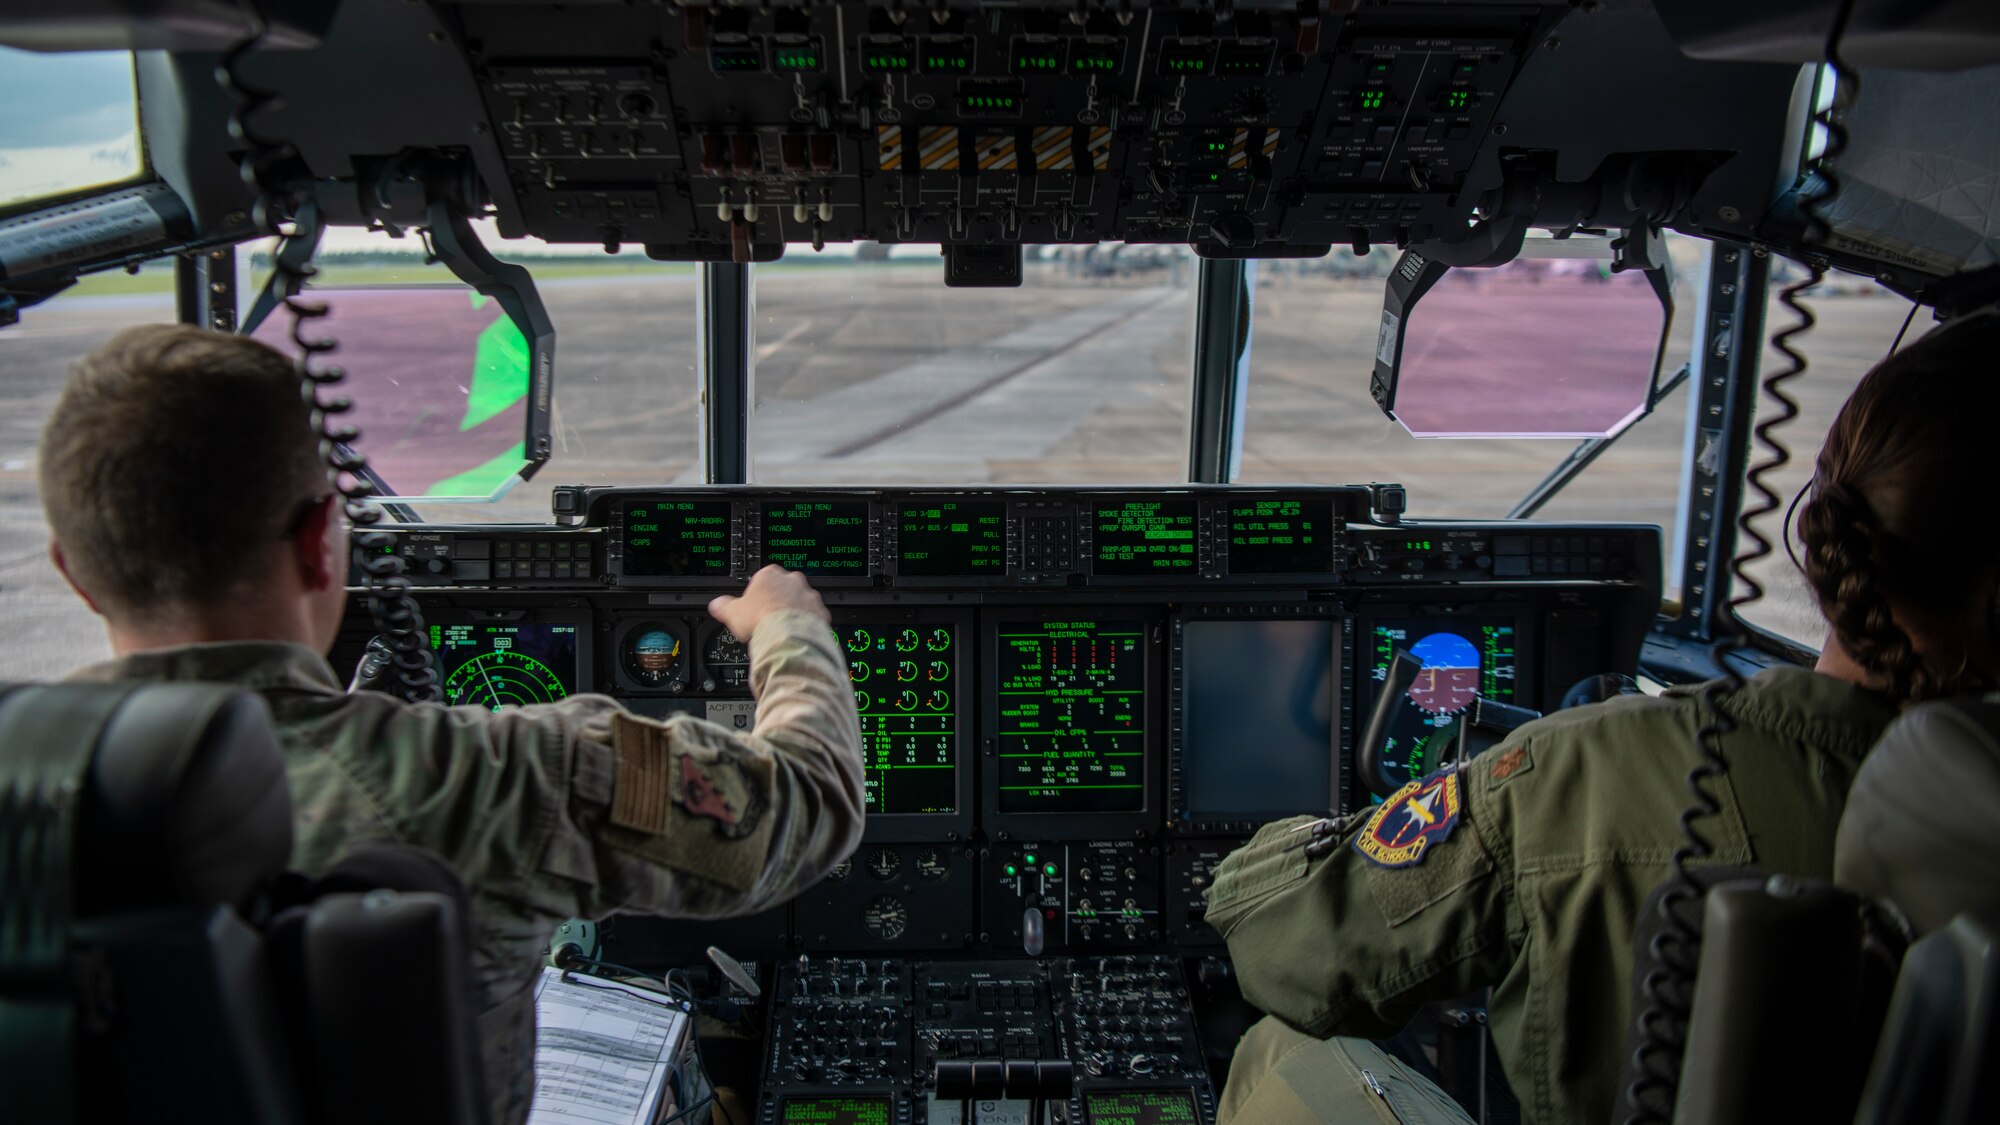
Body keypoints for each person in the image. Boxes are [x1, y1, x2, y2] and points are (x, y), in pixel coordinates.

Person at [39, 324, 866, 1125]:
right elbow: (808, 801)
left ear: (73, 571)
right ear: (323, 543)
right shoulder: (499, 776)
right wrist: (789, 628)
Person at [1203, 310, 2000, 1125]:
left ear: (1829, 517)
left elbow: (1284, 951)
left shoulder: (1604, 770)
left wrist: (1278, 857)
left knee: (1283, 1044)